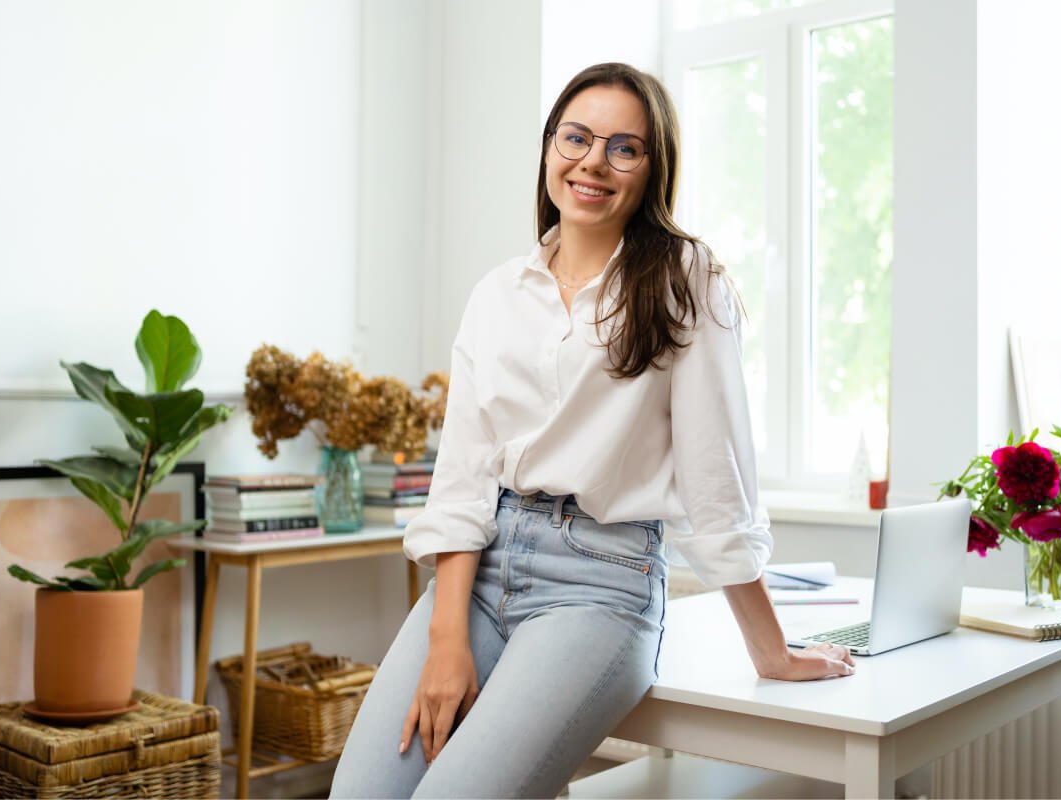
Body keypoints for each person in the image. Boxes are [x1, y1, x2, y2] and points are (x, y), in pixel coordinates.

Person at [330, 62, 855, 800]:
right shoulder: (497, 294)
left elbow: (716, 475)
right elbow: (464, 478)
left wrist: (768, 648)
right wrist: (446, 639)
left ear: (651, 168)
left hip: (601, 581)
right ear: (549, 147)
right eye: (575, 137)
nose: (593, 162)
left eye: (624, 148)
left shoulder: (685, 279)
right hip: (479, 572)